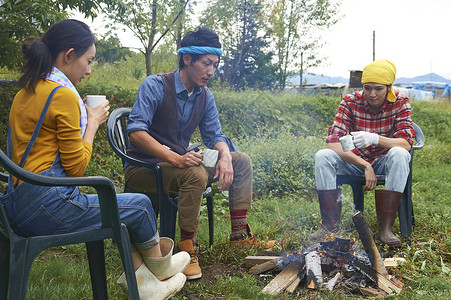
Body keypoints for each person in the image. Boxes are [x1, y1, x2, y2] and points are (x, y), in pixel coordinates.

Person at [3, 19, 189, 299]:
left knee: (123, 208)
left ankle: (144, 275)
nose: (89, 70)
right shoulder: (62, 95)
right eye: (88, 61)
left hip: (15, 205)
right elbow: (76, 168)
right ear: (68, 55)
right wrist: (92, 123)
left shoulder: (26, 90)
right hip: (48, 206)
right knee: (138, 204)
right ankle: (158, 272)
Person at [124, 27, 275, 280]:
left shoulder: (204, 96)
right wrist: (176, 158)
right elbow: (136, 132)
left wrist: (225, 156)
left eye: (215, 65)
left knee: (241, 161)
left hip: (178, 166)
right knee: (194, 172)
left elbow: (215, 135)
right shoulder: (155, 85)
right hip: (145, 168)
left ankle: (239, 236)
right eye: (207, 64)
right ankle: (187, 249)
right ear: (187, 59)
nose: (211, 72)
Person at [312, 59, 416, 247]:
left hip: (384, 160)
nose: (372, 94)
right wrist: (365, 164)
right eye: (367, 88)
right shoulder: (351, 102)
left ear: (389, 87)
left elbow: (406, 143)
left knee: (400, 155)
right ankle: (329, 225)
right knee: (322, 156)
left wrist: (375, 138)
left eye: (378, 89)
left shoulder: (400, 102)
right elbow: (333, 143)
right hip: (355, 161)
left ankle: (385, 229)